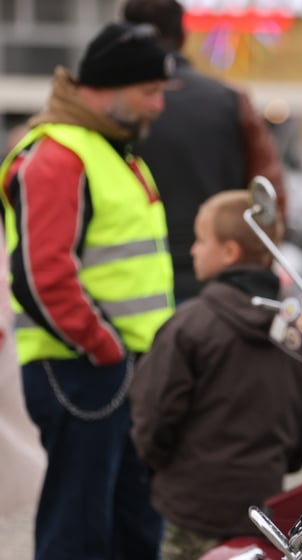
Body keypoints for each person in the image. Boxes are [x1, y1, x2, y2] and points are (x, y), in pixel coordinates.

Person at [0, 22, 176, 560]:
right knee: (79, 531)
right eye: (149, 92)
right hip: (84, 367)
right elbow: (41, 274)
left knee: (131, 526)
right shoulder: (59, 155)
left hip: (115, 366)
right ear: (107, 87)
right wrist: (105, 348)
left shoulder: (108, 150)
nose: (158, 106)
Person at [129, 190, 302, 560]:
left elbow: (153, 413)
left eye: (201, 239)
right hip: (257, 507)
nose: (192, 250)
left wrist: (162, 467)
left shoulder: (189, 326)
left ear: (229, 252)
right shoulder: (300, 333)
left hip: (188, 506)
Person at [123, 0, 286, 302]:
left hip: (131, 277)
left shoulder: (118, 107)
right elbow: (269, 191)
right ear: (183, 37)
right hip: (218, 275)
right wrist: (260, 264)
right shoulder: (228, 100)